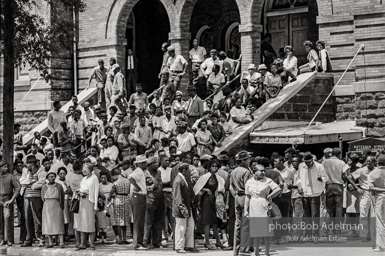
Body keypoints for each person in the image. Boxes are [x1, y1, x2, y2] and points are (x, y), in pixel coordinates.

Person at [244, 164, 281, 256]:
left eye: (264, 170)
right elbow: (247, 196)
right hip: (253, 205)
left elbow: (278, 188)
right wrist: (245, 210)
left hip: (264, 204)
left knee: (266, 230)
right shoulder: (249, 182)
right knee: (256, 230)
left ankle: (267, 252)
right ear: (255, 172)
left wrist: (270, 195)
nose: (263, 172)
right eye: (261, 171)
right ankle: (256, 252)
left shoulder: (268, 180)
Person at [193, 160, 226, 249]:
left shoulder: (216, 177)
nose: (214, 168)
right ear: (209, 167)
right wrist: (206, 190)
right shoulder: (205, 177)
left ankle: (218, 241)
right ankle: (207, 242)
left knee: (215, 222)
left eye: (216, 166)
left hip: (213, 201)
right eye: (212, 166)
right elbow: (196, 188)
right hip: (206, 201)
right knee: (207, 222)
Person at [298, 152, 328, 242]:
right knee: (306, 216)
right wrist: (299, 186)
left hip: (315, 193)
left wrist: (321, 179)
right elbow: (299, 178)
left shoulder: (319, 166)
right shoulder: (301, 166)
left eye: (309, 162)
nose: (307, 164)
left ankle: (315, 235)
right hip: (305, 193)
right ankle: (308, 235)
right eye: (305, 162)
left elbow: (326, 178)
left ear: (312, 160)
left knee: (315, 215)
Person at [20, 155, 48, 247]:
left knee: (37, 218)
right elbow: (22, 181)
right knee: (27, 218)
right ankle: (29, 239)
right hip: (26, 196)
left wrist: (32, 185)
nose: (27, 165)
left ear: (33, 163)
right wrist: (30, 182)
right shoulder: (26, 171)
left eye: (29, 163)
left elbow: (42, 182)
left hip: (36, 196)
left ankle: (40, 238)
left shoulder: (41, 170)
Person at [347, 156, 376, 242]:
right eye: (367, 161)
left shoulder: (376, 170)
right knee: (363, 214)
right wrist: (357, 188)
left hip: (375, 193)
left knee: (373, 215)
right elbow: (349, 177)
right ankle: (364, 235)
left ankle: (372, 234)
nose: (368, 163)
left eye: (370, 161)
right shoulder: (362, 170)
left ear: (374, 162)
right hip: (365, 193)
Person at [231, 150, 253, 255]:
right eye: (248, 158)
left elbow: (231, 186)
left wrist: (236, 193)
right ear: (243, 160)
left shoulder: (234, 171)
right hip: (246, 197)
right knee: (247, 224)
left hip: (237, 197)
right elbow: (249, 188)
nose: (249, 160)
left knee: (238, 224)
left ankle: (236, 250)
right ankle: (244, 249)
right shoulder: (246, 172)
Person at [173, 163, 197, 254]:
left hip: (188, 206)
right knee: (181, 227)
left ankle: (189, 245)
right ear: (184, 170)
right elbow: (178, 197)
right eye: (188, 170)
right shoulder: (178, 181)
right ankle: (179, 247)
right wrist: (183, 209)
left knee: (190, 226)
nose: (190, 172)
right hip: (182, 208)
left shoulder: (184, 179)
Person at [75, 163, 99, 251]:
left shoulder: (94, 178)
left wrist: (95, 204)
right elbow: (81, 188)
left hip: (90, 201)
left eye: (84, 169)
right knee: (82, 222)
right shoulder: (84, 179)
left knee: (90, 222)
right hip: (82, 201)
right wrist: (79, 192)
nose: (82, 170)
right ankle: (82, 243)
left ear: (88, 169)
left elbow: (95, 190)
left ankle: (92, 243)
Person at [128, 155, 149, 250]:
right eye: (144, 162)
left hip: (140, 196)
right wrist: (137, 187)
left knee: (140, 220)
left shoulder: (140, 171)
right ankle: (137, 243)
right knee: (138, 220)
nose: (145, 164)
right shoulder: (138, 171)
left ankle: (139, 242)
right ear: (139, 164)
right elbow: (131, 178)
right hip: (138, 196)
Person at [143, 157, 165, 248]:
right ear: (149, 165)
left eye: (157, 162)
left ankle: (157, 241)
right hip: (150, 199)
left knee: (159, 221)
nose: (157, 164)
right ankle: (146, 241)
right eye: (154, 163)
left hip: (160, 198)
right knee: (148, 222)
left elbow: (160, 183)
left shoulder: (158, 172)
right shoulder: (145, 174)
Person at [41, 172, 65, 248]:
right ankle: (50, 242)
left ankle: (61, 242)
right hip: (47, 206)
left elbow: (62, 196)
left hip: (57, 205)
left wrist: (61, 206)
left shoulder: (59, 186)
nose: (52, 178)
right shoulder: (44, 186)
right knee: (48, 224)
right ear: (47, 178)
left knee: (59, 223)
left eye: (53, 176)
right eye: (50, 177)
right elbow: (42, 196)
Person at [0, 161, 21, 246]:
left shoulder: (10, 176)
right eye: (4, 167)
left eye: (6, 167)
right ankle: (1, 239)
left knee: (7, 219)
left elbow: (17, 188)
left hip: (7, 198)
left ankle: (8, 239)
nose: (6, 168)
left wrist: (12, 199)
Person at [322, 148, 345, 222]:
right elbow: (344, 175)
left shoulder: (325, 162)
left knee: (329, 209)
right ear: (339, 154)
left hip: (329, 186)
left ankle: (327, 229)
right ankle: (337, 229)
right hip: (339, 186)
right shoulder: (342, 163)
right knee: (338, 209)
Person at [368, 154, 385, 252]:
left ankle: (381, 245)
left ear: (377, 163)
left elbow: (371, 187)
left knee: (380, 221)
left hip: (379, 198)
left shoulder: (373, 173)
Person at [109, 168, 131, 244]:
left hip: (118, 199)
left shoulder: (115, 183)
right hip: (126, 199)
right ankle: (125, 238)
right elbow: (129, 190)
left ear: (115, 175)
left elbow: (111, 193)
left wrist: (110, 197)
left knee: (118, 220)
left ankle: (120, 239)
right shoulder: (127, 180)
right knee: (125, 220)